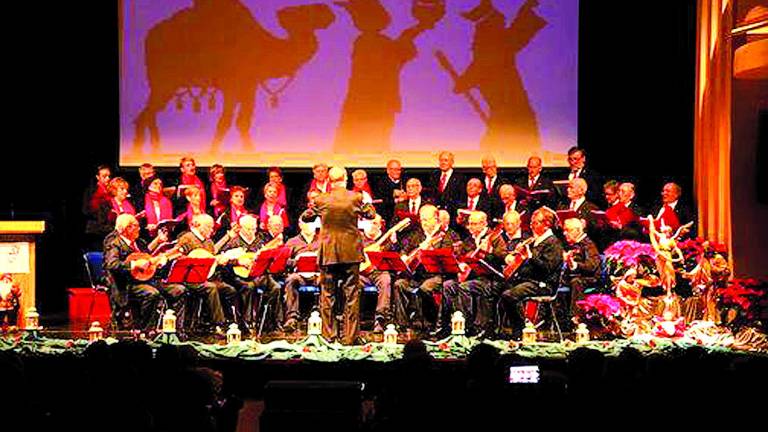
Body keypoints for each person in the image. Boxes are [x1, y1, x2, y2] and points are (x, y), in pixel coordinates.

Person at [300, 166, 376, 344]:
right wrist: (365, 204)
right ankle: (350, 337)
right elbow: (371, 214)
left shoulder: (321, 199)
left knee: (327, 295)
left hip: (329, 254)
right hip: (351, 253)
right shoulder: (356, 197)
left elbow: (305, 217)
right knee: (352, 295)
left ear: (329, 180)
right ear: (345, 179)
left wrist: (315, 209)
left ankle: (329, 336)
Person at [103, 214, 186, 333]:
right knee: (152, 293)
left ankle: (176, 330)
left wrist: (159, 263)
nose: (139, 228)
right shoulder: (115, 244)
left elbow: (149, 262)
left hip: (147, 280)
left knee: (179, 290)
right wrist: (134, 265)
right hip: (127, 283)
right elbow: (111, 265)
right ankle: (145, 330)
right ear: (127, 228)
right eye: (136, 226)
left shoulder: (140, 243)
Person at [393, 204, 461, 333]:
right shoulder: (416, 234)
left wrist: (429, 250)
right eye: (421, 219)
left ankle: (431, 321)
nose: (423, 223)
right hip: (418, 275)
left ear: (436, 219)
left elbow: (446, 256)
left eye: (426, 219)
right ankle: (403, 325)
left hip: (438, 275)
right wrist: (404, 256)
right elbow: (404, 249)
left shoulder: (445, 236)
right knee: (399, 284)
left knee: (425, 288)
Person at [500, 207, 563, 338]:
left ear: (546, 225)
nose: (531, 226)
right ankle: (504, 329)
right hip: (529, 281)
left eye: (535, 223)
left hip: (543, 284)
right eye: (531, 223)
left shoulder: (553, 243)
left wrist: (529, 256)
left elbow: (547, 268)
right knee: (500, 288)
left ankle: (521, 330)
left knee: (509, 295)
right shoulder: (536, 240)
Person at [443, 210, 507, 338]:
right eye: (470, 224)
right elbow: (461, 256)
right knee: (448, 285)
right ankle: (447, 325)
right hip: (471, 277)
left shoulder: (494, 238)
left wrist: (487, 252)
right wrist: (460, 262)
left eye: (474, 224)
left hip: (490, 278)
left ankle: (467, 324)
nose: (470, 227)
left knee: (464, 287)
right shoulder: (469, 239)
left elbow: (502, 257)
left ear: (483, 224)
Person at [218, 214, 281, 333]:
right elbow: (222, 260)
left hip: (259, 275)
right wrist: (238, 261)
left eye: (254, 228)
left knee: (276, 288)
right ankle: (247, 321)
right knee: (249, 287)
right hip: (239, 277)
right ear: (241, 228)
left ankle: (272, 320)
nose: (252, 231)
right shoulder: (233, 242)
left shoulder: (260, 241)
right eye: (249, 228)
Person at [176, 214, 238, 332]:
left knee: (229, 290)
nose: (212, 230)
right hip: (190, 278)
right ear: (200, 226)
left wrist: (221, 259)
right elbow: (180, 258)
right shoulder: (186, 238)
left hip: (206, 277)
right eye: (209, 227)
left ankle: (231, 322)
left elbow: (212, 256)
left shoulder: (208, 241)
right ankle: (219, 324)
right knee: (211, 288)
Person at [282, 218, 321, 331]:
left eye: (312, 223)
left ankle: (325, 315)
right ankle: (292, 317)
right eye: (307, 223)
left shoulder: (323, 240)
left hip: (317, 274)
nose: (310, 226)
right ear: (300, 225)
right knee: (291, 280)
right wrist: (297, 261)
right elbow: (284, 261)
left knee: (328, 280)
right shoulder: (292, 242)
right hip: (299, 275)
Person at [359, 214, 395, 332]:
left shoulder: (387, 240)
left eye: (375, 223)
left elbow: (394, 260)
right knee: (351, 280)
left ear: (380, 225)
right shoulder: (358, 238)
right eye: (369, 222)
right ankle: (353, 317)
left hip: (379, 272)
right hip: (363, 274)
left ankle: (381, 319)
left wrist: (392, 244)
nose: (372, 226)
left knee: (386, 279)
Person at [561, 218, 601, 319]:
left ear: (578, 230)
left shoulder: (588, 245)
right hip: (572, 277)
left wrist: (574, 264)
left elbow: (591, 266)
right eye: (564, 230)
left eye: (568, 230)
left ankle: (576, 317)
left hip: (589, 278)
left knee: (576, 282)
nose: (564, 233)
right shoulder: (570, 245)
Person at [83, 164, 113, 248]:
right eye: (104, 176)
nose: (108, 179)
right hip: (95, 229)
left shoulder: (112, 190)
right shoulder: (91, 191)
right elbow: (85, 210)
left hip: (109, 229)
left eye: (109, 176)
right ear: (97, 177)